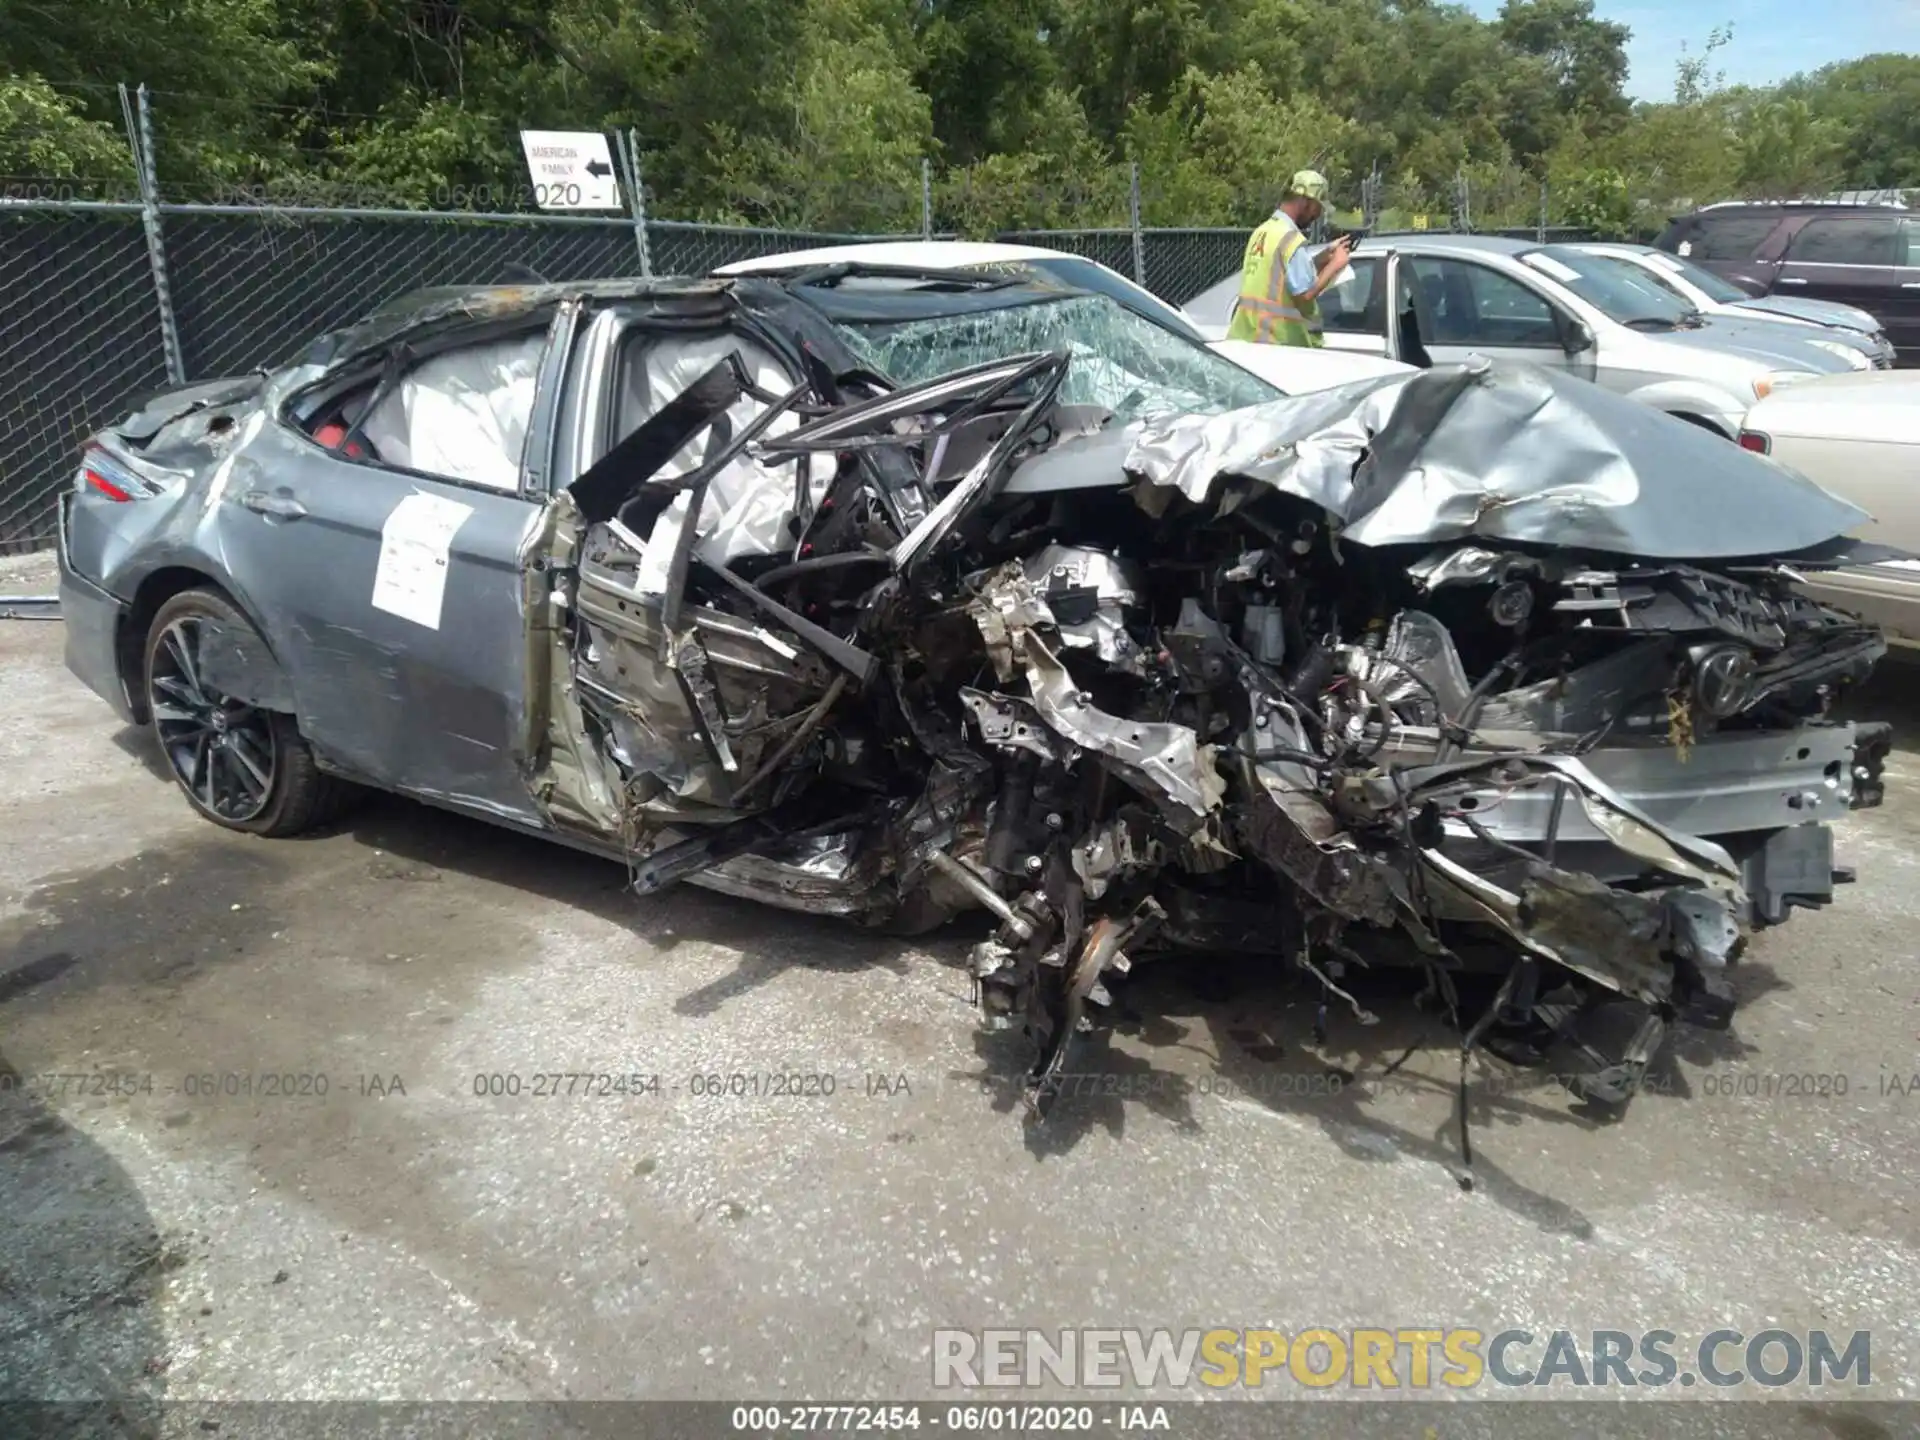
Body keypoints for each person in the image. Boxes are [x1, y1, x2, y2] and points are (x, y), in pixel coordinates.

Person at [1226, 170, 1353, 346]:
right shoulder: (1291, 239)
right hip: (1277, 346)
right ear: (1305, 202)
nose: (1317, 216)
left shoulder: (1263, 231)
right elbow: (1304, 296)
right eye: (1317, 208)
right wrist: (1336, 265)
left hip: (1248, 340)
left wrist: (1321, 259)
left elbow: (1281, 278)